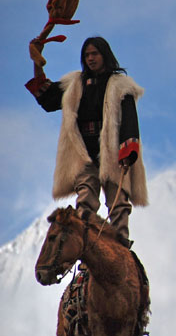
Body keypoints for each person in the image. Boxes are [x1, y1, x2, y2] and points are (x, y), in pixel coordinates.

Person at [25, 36, 147, 248]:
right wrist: (37, 62)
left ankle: (121, 249)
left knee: (118, 203)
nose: (90, 58)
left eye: (95, 54)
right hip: (82, 153)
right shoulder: (74, 84)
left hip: (114, 154)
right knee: (85, 202)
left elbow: (129, 121)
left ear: (104, 55)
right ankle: (84, 251)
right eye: (87, 55)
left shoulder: (121, 85)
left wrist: (128, 153)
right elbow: (47, 97)